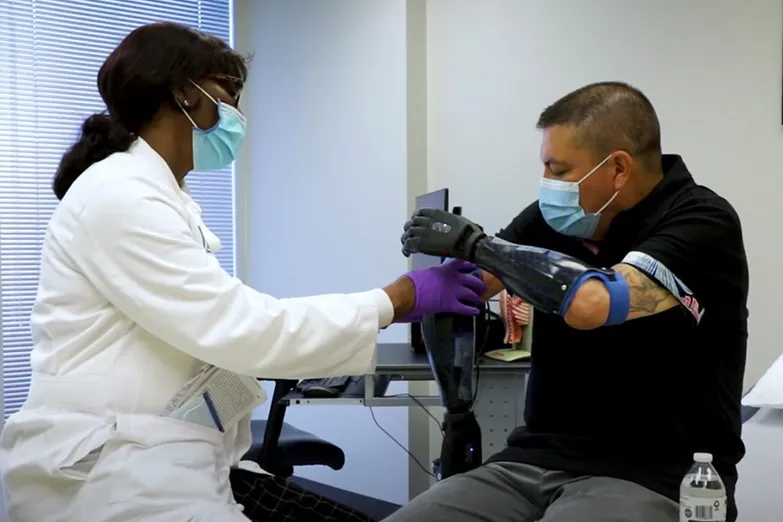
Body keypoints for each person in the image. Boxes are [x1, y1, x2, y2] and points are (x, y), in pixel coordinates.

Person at [0, 23, 488, 522]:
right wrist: (398, 298)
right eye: (228, 96)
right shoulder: (121, 197)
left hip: (163, 452)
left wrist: (358, 324)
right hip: (111, 475)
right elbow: (240, 327)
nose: (237, 115)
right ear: (182, 94)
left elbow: (216, 337)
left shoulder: (162, 198)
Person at [390, 81, 748, 522]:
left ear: (618, 168)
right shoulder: (553, 219)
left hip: (655, 472)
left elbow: (596, 304)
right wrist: (384, 303)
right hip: (532, 459)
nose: (547, 185)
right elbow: (466, 284)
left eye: (559, 171)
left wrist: (477, 245)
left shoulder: (701, 220)